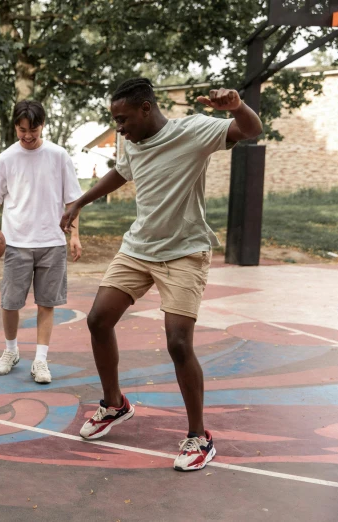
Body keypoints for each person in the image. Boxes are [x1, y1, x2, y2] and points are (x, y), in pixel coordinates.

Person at [60, 78, 263, 471]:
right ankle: (115, 404)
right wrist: (80, 201)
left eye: (122, 119)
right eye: (115, 120)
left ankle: (199, 437)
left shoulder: (194, 130)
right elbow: (122, 173)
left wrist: (237, 106)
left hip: (185, 252)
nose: (119, 127)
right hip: (139, 248)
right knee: (98, 319)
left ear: (146, 109)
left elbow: (251, 130)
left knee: (178, 343)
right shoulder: (131, 142)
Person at [0, 100, 83, 384]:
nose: (28, 136)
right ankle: (11, 351)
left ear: (43, 125)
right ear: (15, 127)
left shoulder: (58, 155)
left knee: (47, 303)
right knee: (10, 303)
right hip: (16, 242)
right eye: (22, 130)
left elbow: (72, 200)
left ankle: (41, 360)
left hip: (52, 242)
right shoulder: (5, 159)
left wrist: (76, 235)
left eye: (33, 129)